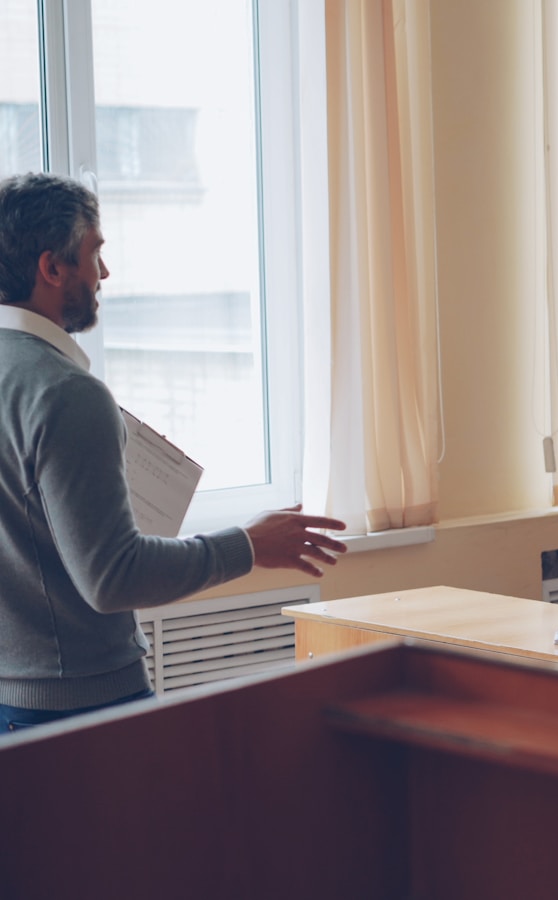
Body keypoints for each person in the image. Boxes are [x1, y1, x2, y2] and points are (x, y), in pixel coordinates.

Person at [0, 172, 347, 732]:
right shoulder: (65, 393)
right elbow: (114, 578)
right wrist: (249, 546)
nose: (104, 274)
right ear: (52, 267)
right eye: (95, 253)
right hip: (81, 709)